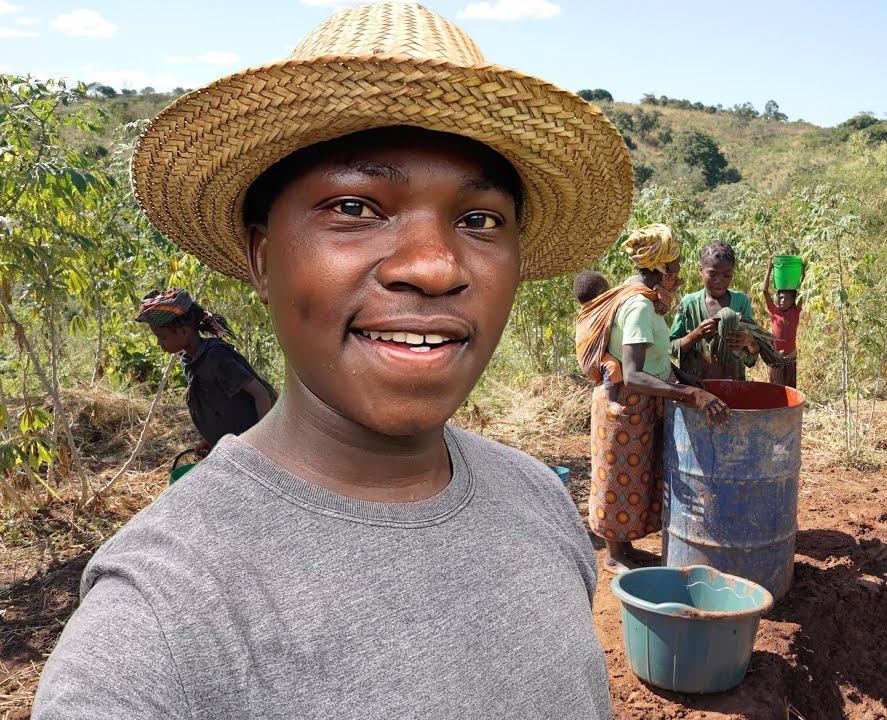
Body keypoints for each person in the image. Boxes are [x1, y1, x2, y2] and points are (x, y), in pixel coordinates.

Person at [34, 3, 633, 718]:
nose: (435, 267)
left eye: (479, 220)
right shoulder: (158, 623)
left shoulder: (538, 501)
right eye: (354, 207)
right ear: (263, 259)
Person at [575, 224, 728, 574]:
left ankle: (625, 548)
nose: (677, 275)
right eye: (673, 268)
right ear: (658, 269)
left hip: (641, 403)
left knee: (634, 476)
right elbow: (633, 373)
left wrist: (681, 375)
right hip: (626, 403)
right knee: (617, 476)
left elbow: (655, 355)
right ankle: (614, 554)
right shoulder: (639, 307)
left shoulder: (643, 296)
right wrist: (690, 393)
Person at [135, 288, 277, 457]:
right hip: (237, 447)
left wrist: (263, 445)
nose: (159, 343)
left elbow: (261, 394)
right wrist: (212, 440)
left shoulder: (216, 357)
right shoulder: (190, 361)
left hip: (255, 444)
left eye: (162, 337)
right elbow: (220, 406)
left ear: (184, 331)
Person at [670, 241, 760, 381]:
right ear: (701, 270)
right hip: (697, 390)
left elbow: (751, 357)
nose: (719, 281)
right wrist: (695, 335)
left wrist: (748, 341)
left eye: (727, 275)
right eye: (712, 275)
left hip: (733, 386)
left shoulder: (741, 302)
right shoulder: (689, 304)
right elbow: (671, 348)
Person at [573, 271, 627, 418]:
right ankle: (611, 401)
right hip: (595, 361)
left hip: (592, 359)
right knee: (612, 366)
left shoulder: (589, 310)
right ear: (602, 294)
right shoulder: (597, 310)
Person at [762, 258, 802, 388]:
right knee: (776, 389)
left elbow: (803, 292)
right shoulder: (774, 311)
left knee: (790, 388)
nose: (782, 300)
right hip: (776, 357)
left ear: (792, 300)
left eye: (786, 298)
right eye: (780, 297)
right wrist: (769, 268)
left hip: (791, 356)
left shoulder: (795, 311)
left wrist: (803, 270)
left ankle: (790, 409)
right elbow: (764, 290)